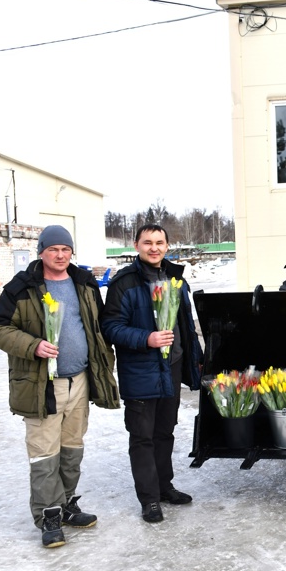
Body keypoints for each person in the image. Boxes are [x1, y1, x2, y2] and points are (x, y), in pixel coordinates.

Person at [0, 225, 120, 548]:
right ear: (41, 252)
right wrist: (32, 345)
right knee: (44, 453)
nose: (60, 255)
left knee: (72, 448)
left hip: (80, 380)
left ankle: (66, 503)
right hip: (42, 385)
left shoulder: (85, 284)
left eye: (66, 249)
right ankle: (48, 515)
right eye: (53, 250)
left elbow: (97, 326)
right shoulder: (21, 287)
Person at [102, 224, 203, 523]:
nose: (154, 248)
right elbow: (110, 327)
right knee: (142, 436)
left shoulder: (177, 280)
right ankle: (149, 499)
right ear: (136, 245)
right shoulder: (124, 283)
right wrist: (146, 338)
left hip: (171, 368)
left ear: (168, 245)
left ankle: (164, 487)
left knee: (164, 432)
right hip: (141, 370)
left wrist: (195, 359)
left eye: (159, 242)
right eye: (148, 242)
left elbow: (185, 324)